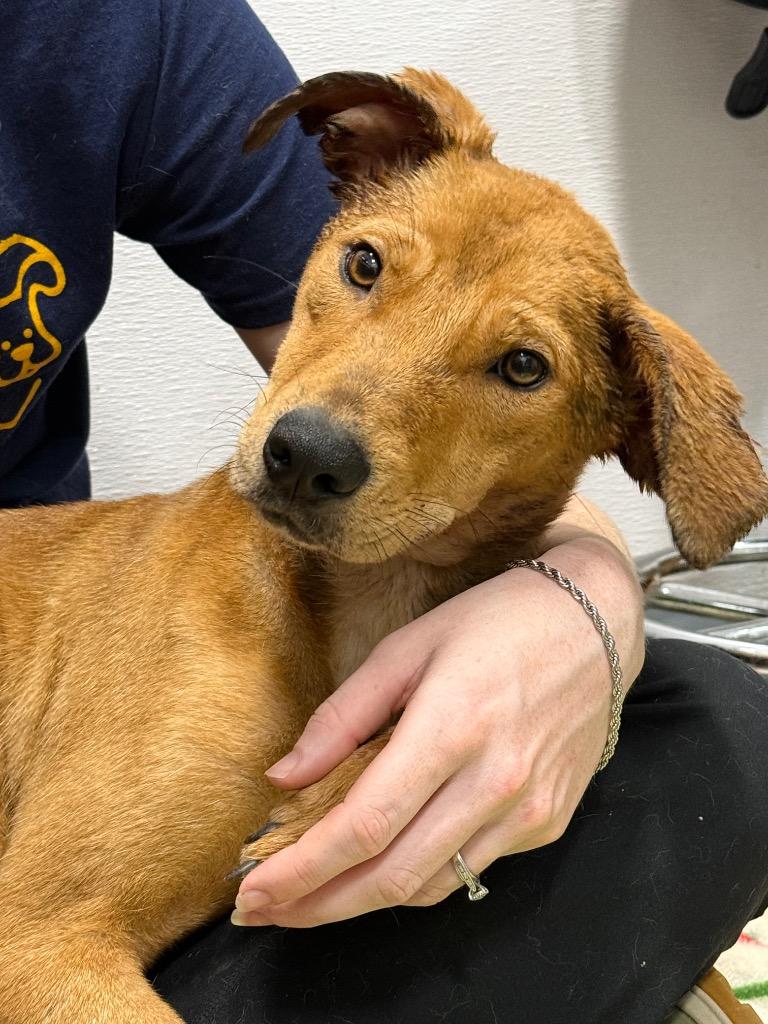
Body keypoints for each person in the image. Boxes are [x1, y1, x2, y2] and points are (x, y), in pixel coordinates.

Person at [3, 1, 767, 1021]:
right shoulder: (201, 625)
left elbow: (715, 515)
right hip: (48, 930)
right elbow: (40, 949)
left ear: (619, 427)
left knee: (728, 726)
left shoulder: (120, 25)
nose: (328, 425)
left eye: (518, 366)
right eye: (365, 267)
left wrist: (590, 598)